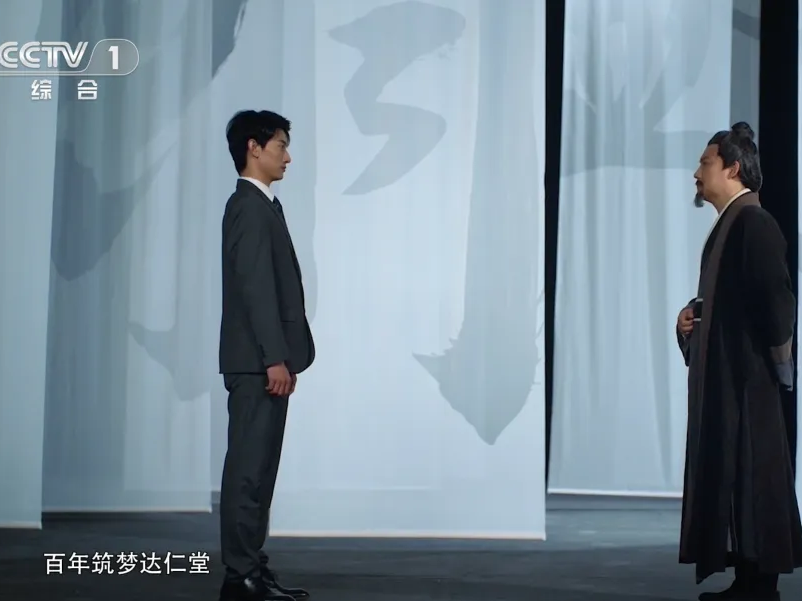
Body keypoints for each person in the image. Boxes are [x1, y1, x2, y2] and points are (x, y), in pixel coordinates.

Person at [676, 121, 802, 600]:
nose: (697, 173)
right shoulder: (733, 222)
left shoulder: (753, 223)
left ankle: (760, 585)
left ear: (732, 168)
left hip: (749, 384)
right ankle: (748, 580)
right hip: (734, 380)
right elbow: (734, 298)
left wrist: (777, 367)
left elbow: (777, 304)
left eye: (705, 163)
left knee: (754, 479)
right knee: (739, 479)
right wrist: (693, 316)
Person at [218, 110, 315, 601]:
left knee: (260, 471)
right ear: (253, 148)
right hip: (257, 362)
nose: (288, 156)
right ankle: (240, 576)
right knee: (248, 471)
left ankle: (250, 569)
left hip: (265, 361)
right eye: (280, 145)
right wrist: (273, 357)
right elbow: (255, 288)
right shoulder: (249, 207)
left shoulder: (263, 206)